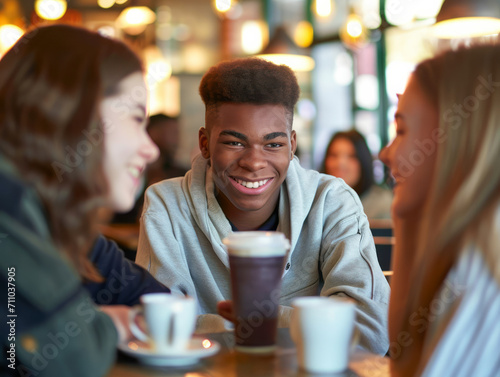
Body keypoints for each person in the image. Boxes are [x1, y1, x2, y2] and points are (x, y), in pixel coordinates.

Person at [136, 57, 390, 354]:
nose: (254, 162)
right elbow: (158, 330)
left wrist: (257, 321)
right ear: (205, 144)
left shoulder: (331, 201)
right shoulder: (167, 205)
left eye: (273, 144)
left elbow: (371, 331)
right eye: (234, 143)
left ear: (292, 145)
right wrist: (310, 322)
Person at [0, 25, 164, 376]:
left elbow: (155, 303)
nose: (151, 149)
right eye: (136, 118)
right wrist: (106, 325)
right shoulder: (8, 209)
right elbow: (75, 360)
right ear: (73, 111)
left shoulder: (54, 220)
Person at [379, 44, 500, 376]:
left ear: (458, 139)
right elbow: (404, 359)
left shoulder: (480, 277)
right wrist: (405, 215)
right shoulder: (468, 254)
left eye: (401, 130)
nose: (385, 154)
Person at [323, 130, 392, 219]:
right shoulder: (316, 202)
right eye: (334, 155)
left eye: (351, 156)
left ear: (363, 161)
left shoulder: (382, 204)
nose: (340, 163)